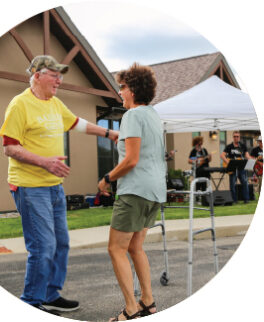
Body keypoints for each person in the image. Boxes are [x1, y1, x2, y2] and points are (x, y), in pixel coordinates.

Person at [0, 55, 117, 315]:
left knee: (61, 242)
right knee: (43, 246)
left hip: (54, 187)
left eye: (60, 76)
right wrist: (45, 162)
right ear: (37, 75)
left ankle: (50, 293)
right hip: (30, 188)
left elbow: (76, 123)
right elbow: (9, 147)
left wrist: (110, 133)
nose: (59, 81)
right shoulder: (20, 104)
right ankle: (31, 301)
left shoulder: (54, 103)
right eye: (54, 75)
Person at [97, 63, 165, 321]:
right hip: (154, 191)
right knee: (135, 247)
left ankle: (131, 308)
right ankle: (148, 302)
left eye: (123, 87)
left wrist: (106, 179)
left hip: (135, 191)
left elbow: (131, 160)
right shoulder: (153, 115)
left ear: (134, 90)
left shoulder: (132, 116)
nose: (120, 92)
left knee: (116, 248)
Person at [221, 131, 251, 203]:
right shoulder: (229, 146)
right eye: (234, 136)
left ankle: (246, 199)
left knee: (244, 182)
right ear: (233, 137)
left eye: (237, 136)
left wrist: (253, 160)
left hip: (241, 167)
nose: (236, 138)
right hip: (232, 167)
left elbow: (247, 156)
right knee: (232, 184)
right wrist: (229, 162)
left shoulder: (243, 146)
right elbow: (222, 155)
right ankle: (234, 200)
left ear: (239, 137)